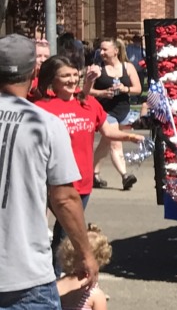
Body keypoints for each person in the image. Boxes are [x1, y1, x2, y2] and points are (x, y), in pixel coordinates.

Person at [0, 34, 102, 310]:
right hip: (22, 261)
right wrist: (84, 251)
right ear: (30, 76)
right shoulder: (43, 124)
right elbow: (64, 198)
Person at [35, 57, 145, 264]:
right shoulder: (41, 107)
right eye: (65, 75)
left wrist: (131, 137)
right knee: (61, 230)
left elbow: (108, 131)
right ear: (53, 79)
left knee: (64, 231)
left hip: (83, 181)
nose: (72, 80)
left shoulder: (87, 103)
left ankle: (55, 276)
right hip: (53, 181)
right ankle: (51, 276)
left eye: (75, 75)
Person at [86, 37, 142, 190]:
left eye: (105, 49)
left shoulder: (128, 67)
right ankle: (125, 176)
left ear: (115, 51)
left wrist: (126, 89)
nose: (101, 52)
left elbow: (138, 89)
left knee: (105, 143)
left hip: (123, 110)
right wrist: (102, 93)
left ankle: (93, 174)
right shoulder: (97, 69)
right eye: (100, 49)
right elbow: (87, 91)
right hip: (105, 111)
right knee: (116, 143)